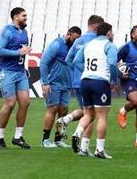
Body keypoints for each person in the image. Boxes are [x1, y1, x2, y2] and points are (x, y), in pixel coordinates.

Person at [69, 21, 120, 159]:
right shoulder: (109, 46)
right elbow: (112, 64)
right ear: (108, 32)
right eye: (112, 32)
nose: (113, 34)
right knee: (102, 116)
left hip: (85, 81)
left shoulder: (88, 44)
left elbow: (76, 61)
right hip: (100, 82)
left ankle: (77, 134)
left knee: (89, 114)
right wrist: (114, 81)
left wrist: (87, 70)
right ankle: (100, 150)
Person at [58, 14, 104, 152]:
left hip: (78, 82)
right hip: (93, 80)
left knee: (86, 110)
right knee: (91, 114)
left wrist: (78, 71)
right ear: (96, 26)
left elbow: (68, 59)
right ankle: (84, 147)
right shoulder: (98, 41)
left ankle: (66, 119)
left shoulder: (79, 41)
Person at [0, 7, 32, 150]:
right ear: (16, 17)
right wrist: (18, 52)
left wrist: (23, 59)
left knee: (25, 102)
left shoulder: (25, 32)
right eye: (23, 16)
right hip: (6, 71)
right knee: (10, 103)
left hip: (20, 71)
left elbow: (22, 52)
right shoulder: (7, 30)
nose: (26, 18)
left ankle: (18, 136)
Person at [39, 26, 81, 148]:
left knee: (63, 110)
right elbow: (44, 63)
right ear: (68, 34)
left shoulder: (75, 48)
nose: (76, 42)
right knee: (52, 109)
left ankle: (58, 139)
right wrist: (45, 82)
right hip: (53, 83)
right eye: (75, 38)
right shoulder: (57, 44)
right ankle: (45, 140)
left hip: (67, 84)